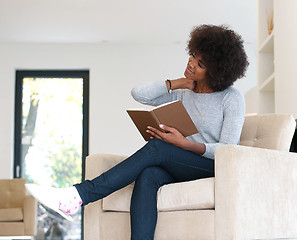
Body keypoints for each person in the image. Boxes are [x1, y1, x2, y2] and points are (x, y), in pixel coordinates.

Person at [26, 24, 249, 239]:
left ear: (216, 72)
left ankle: (78, 195)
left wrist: (185, 144)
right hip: (181, 163)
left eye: (200, 64)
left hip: (211, 166)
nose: (191, 63)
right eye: (192, 54)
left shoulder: (231, 98)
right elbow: (139, 94)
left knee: (157, 149)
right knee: (148, 174)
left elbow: (228, 149)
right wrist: (177, 83)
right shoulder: (184, 91)